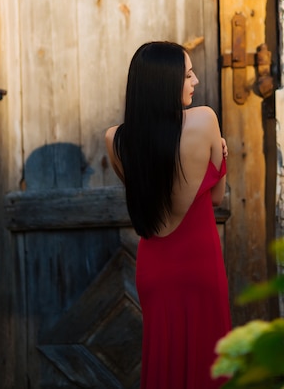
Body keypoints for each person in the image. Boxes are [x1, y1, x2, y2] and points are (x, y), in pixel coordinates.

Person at [105, 41, 231, 389]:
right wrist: (224, 161)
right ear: (166, 82)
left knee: (164, 364)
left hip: (155, 271)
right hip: (200, 265)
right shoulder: (205, 119)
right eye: (187, 74)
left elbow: (148, 198)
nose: (195, 81)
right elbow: (217, 199)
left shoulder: (115, 139)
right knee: (211, 364)